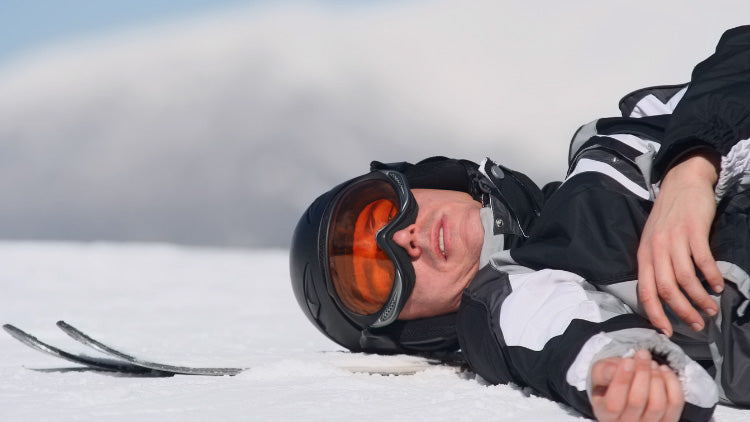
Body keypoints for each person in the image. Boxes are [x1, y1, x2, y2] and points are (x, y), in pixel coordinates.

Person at [289, 26, 750, 422]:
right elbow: (556, 332)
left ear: (428, 180)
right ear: (412, 329)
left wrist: (690, 169)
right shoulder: (516, 296)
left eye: (382, 211)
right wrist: (623, 368)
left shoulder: (619, 131)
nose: (401, 238)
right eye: (375, 274)